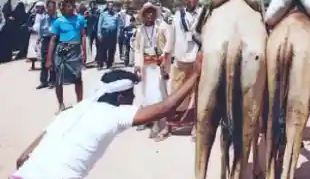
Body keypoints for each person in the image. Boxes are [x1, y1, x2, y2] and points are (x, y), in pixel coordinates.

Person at [12, 63, 202, 179]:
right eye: (131, 94)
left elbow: (21, 160)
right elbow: (166, 108)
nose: (134, 99)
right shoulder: (115, 114)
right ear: (120, 98)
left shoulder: (72, 111)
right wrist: (196, 74)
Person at [165, 0, 202, 138]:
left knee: (195, 93)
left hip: (196, 59)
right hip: (180, 59)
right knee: (175, 92)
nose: (192, 0)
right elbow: (171, 38)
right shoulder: (177, 16)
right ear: (185, 0)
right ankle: (170, 126)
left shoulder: (202, 15)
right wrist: (166, 58)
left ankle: (194, 127)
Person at [132, 2, 171, 140]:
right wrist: (137, 65)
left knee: (157, 92)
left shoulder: (162, 27)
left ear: (155, 14)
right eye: (147, 12)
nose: (150, 15)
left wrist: (164, 54)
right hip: (145, 66)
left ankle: (156, 123)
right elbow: (137, 48)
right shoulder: (140, 31)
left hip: (157, 66)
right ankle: (146, 119)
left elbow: (169, 42)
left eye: (152, 12)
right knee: (145, 92)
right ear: (143, 15)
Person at [46, 0, 87, 113]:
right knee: (58, 80)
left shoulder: (80, 19)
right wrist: (49, 59)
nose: (70, 8)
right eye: (67, 6)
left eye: (72, 6)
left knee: (78, 78)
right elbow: (53, 40)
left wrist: (84, 52)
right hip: (62, 52)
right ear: (62, 8)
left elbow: (83, 35)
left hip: (75, 51)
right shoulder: (58, 21)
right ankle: (61, 104)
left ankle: (80, 103)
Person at [36, 0, 58, 89]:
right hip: (45, 40)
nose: (51, 9)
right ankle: (43, 81)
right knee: (44, 61)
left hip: (54, 40)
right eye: (49, 7)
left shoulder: (58, 19)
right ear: (47, 8)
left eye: (52, 7)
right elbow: (40, 31)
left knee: (53, 61)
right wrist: (39, 39)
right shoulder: (43, 19)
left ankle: (52, 81)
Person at [97, 2, 121, 69]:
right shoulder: (103, 14)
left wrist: (118, 34)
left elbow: (118, 25)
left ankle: (109, 64)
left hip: (113, 33)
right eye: (109, 6)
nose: (111, 7)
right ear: (107, 7)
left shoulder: (116, 15)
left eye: (112, 6)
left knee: (112, 50)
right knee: (102, 50)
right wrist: (99, 34)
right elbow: (99, 24)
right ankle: (100, 64)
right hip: (105, 32)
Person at [27, 2, 46, 70]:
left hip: (41, 35)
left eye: (40, 7)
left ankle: (43, 65)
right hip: (33, 34)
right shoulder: (33, 15)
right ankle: (33, 65)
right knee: (32, 50)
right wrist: (30, 29)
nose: (38, 8)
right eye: (37, 7)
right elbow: (28, 24)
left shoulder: (45, 16)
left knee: (41, 50)